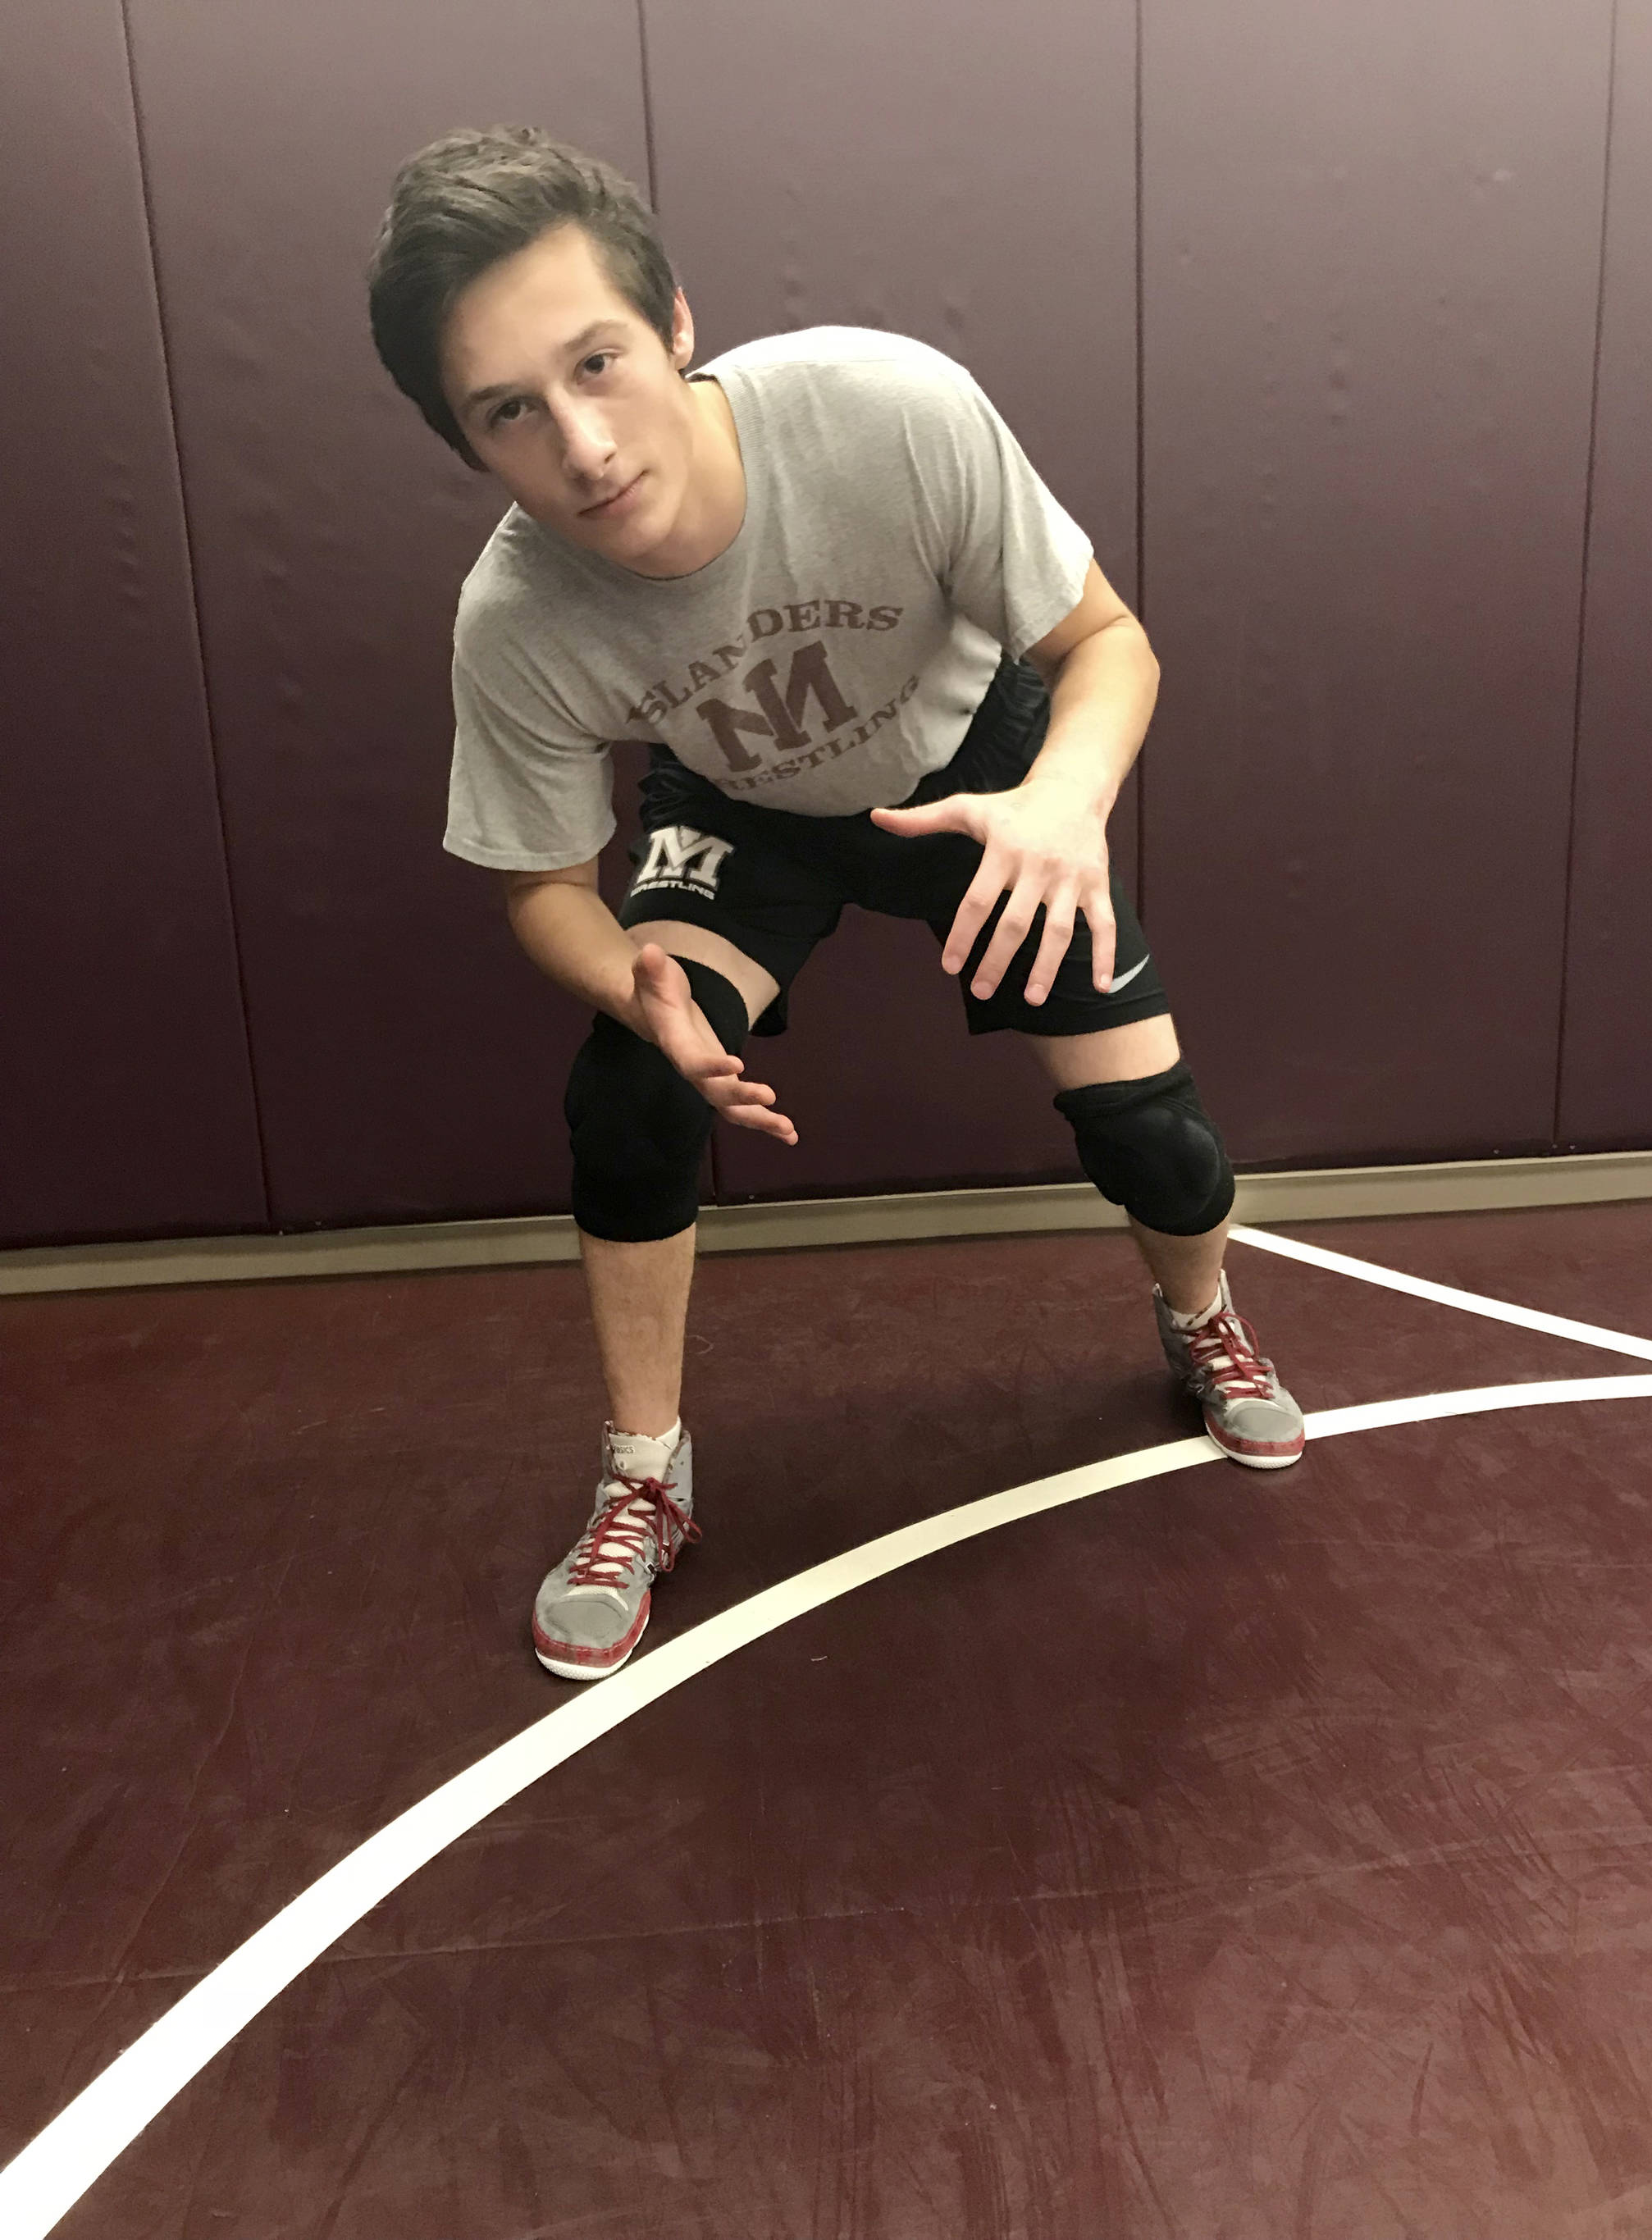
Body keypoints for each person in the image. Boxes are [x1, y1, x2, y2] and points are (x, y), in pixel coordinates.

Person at [368, 125, 1304, 1682]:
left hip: (976, 776)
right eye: (511, 412)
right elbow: (544, 886)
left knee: (1153, 1135)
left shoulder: (887, 410)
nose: (583, 446)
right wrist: (628, 983)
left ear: (675, 324)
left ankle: (1201, 1314)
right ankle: (645, 1473)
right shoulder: (516, 616)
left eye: (598, 362)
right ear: (466, 443)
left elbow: (1108, 643)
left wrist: (1066, 806)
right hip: (745, 811)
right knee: (630, 1090)